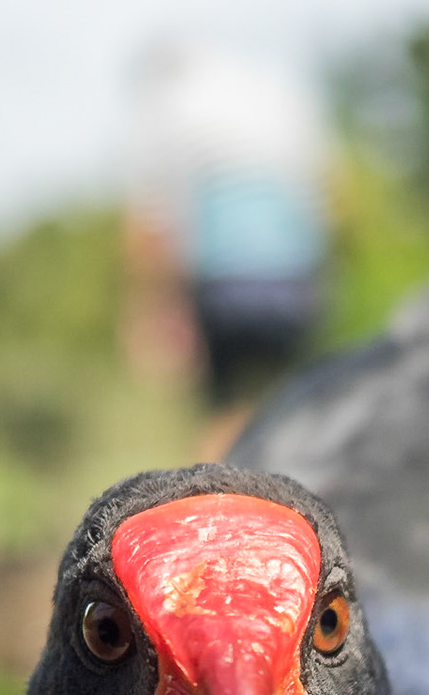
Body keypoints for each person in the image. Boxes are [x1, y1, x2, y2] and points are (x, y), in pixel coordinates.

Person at [126, 38, 329, 459]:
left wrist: (155, 308)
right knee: (296, 407)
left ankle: (214, 508)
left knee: (220, 410)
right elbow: (322, 195)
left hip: (223, 281)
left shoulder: (170, 108)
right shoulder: (276, 95)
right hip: (294, 279)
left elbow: (157, 218)